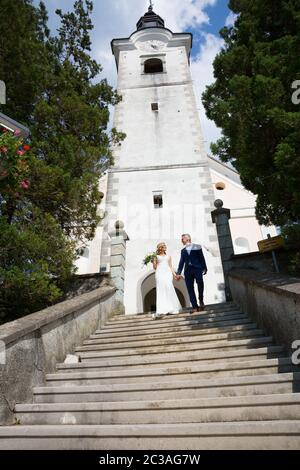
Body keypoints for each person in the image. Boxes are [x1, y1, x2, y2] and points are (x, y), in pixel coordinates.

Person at [176, 234, 207, 314]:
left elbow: (201, 257)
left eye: (182, 239)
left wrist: (204, 267)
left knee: (200, 282)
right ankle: (194, 307)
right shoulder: (182, 251)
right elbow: (181, 262)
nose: (181, 240)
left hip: (197, 268)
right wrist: (178, 273)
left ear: (187, 239)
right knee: (190, 288)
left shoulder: (197, 247)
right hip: (187, 271)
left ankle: (201, 299)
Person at [151, 242, 181, 320]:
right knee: (161, 290)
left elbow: (170, 267)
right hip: (159, 273)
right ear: (160, 248)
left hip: (167, 273)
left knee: (168, 287)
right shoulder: (156, 256)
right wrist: (153, 261)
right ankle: (162, 309)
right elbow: (155, 268)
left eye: (165, 246)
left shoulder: (168, 256)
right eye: (163, 246)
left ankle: (171, 308)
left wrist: (175, 275)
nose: (165, 247)